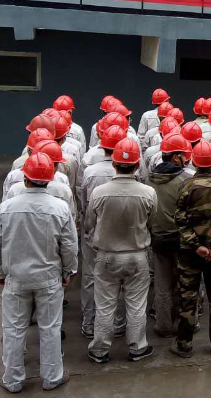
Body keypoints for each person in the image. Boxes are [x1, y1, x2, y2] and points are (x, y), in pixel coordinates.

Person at [0, 153, 77, 393]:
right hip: (49, 279)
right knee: (50, 328)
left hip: (16, 278)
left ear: (25, 178)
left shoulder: (7, 207)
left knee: (14, 330)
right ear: (49, 180)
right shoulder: (60, 208)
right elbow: (69, 246)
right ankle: (52, 377)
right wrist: (68, 271)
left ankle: (13, 380)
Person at [85, 138, 157, 364]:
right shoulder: (148, 193)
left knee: (105, 305)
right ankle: (137, 347)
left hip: (107, 256)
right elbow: (151, 223)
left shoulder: (99, 193)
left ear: (114, 164)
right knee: (136, 305)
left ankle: (100, 350)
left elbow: (89, 224)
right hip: (137, 256)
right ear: (137, 165)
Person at [170, 141, 211, 357]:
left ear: (194, 161)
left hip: (190, 253)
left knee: (188, 298)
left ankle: (184, 345)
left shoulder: (186, 186)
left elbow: (180, 219)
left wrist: (196, 245)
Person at [79, 125, 128, 340]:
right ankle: (118, 324)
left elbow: (83, 202)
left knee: (91, 277)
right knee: (121, 279)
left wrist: (88, 227)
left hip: (95, 232)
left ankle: (90, 323)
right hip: (124, 232)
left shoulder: (90, 169)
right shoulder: (131, 171)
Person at [146, 134, 194, 337]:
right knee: (185, 282)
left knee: (162, 283)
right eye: (183, 155)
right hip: (182, 239)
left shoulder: (149, 180)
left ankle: (163, 325)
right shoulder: (187, 180)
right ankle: (185, 324)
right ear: (176, 157)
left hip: (158, 239)